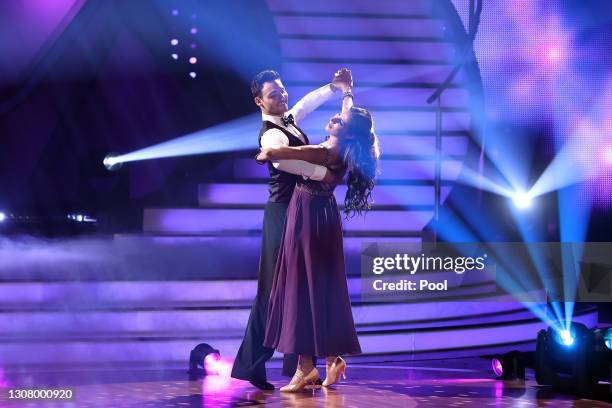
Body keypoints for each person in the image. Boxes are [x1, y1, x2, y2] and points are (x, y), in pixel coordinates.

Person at [231, 69, 353, 391]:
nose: (282, 97)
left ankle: (304, 365)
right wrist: (322, 174)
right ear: (259, 101)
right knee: (272, 291)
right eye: (274, 94)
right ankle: (253, 364)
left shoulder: (285, 118)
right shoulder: (270, 134)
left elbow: (304, 105)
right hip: (284, 214)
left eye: (282, 91)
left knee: (301, 286)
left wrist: (332, 87)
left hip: (301, 210)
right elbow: (284, 163)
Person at [256, 85, 380, 392]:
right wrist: (346, 92)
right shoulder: (343, 146)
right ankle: (324, 361)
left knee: (301, 288)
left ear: (348, 133)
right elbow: (349, 117)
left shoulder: (328, 151)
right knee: (316, 289)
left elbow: (279, 153)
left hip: (308, 218)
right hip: (320, 214)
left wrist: (266, 152)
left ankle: (307, 368)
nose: (336, 118)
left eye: (340, 120)